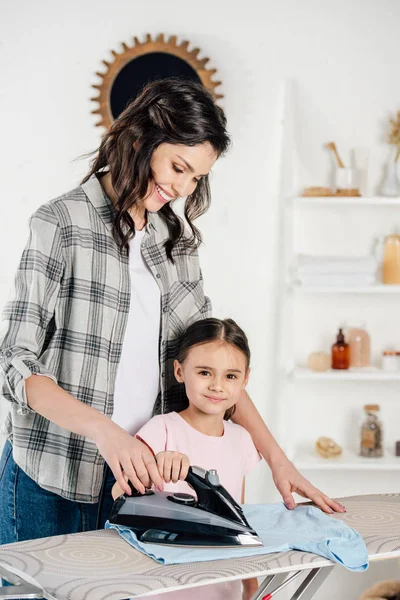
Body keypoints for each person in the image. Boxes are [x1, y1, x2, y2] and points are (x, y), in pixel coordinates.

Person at [0, 78, 344, 547]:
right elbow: (15, 362)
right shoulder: (61, 222)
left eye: (196, 177)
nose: (182, 188)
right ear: (140, 140)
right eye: (178, 167)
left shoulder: (175, 242)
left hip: (146, 480)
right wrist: (106, 432)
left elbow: (216, 361)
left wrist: (278, 459)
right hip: (52, 473)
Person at [111, 317, 261, 600]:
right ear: (179, 371)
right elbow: (119, 494)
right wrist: (155, 466)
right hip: (161, 588)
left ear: (245, 379)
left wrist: (250, 583)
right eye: (205, 372)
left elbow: (239, 515)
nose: (217, 386)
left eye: (230, 376)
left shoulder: (242, 439)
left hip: (222, 588)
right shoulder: (161, 430)